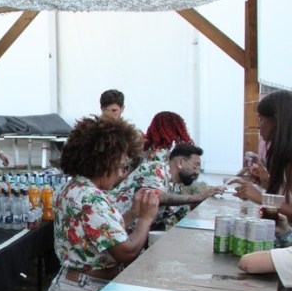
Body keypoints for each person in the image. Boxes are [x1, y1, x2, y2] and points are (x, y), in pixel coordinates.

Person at [44, 116, 160, 291]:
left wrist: (133, 213)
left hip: (73, 288)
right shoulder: (91, 198)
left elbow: (102, 234)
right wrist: (146, 219)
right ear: (104, 161)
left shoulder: (74, 187)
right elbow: (126, 252)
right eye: (121, 165)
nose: (122, 173)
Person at [110, 143, 224, 230]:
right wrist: (199, 197)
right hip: (110, 231)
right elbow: (159, 197)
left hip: (130, 239)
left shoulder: (177, 189)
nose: (197, 172)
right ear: (180, 163)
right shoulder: (154, 169)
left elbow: (187, 219)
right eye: (196, 166)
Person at [233, 90, 292, 222]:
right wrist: (267, 185)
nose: (258, 126)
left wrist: (262, 198)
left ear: (277, 121)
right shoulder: (282, 154)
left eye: (261, 119)